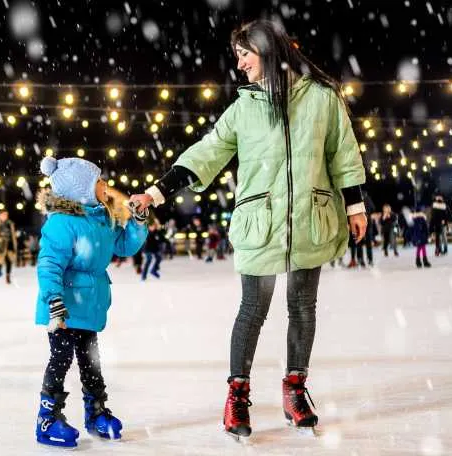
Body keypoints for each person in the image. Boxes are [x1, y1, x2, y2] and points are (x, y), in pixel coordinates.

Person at [129, 20, 368, 438]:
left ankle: (295, 388)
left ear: (267, 49)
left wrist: (355, 206)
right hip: (261, 223)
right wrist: (157, 191)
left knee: (303, 307)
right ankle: (237, 395)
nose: (239, 65)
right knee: (253, 310)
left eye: (244, 54)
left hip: (310, 219)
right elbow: (206, 152)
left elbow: (343, 154)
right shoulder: (245, 107)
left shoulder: (322, 99)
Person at [34, 156, 148, 447]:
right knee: (61, 359)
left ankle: (96, 412)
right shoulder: (61, 223)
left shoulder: (100, 219)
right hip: (63, 308)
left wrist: (137, 220)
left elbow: (124, 245)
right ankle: (47, 420)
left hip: (89, 305)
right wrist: (54, 300)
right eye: (98, 181)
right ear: (80, 189)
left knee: (91, 361)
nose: (105, 185)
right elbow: (49, 264)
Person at [0, 210, 17, 285]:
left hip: (9, 244)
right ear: (0, 215)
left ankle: (8, 276)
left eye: (6, 214)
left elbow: (13, 234)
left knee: (9, 260)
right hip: (0, 244)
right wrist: (0, 240)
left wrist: (14, 243)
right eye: (4, 214)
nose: (5, 216)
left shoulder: (10, 223)